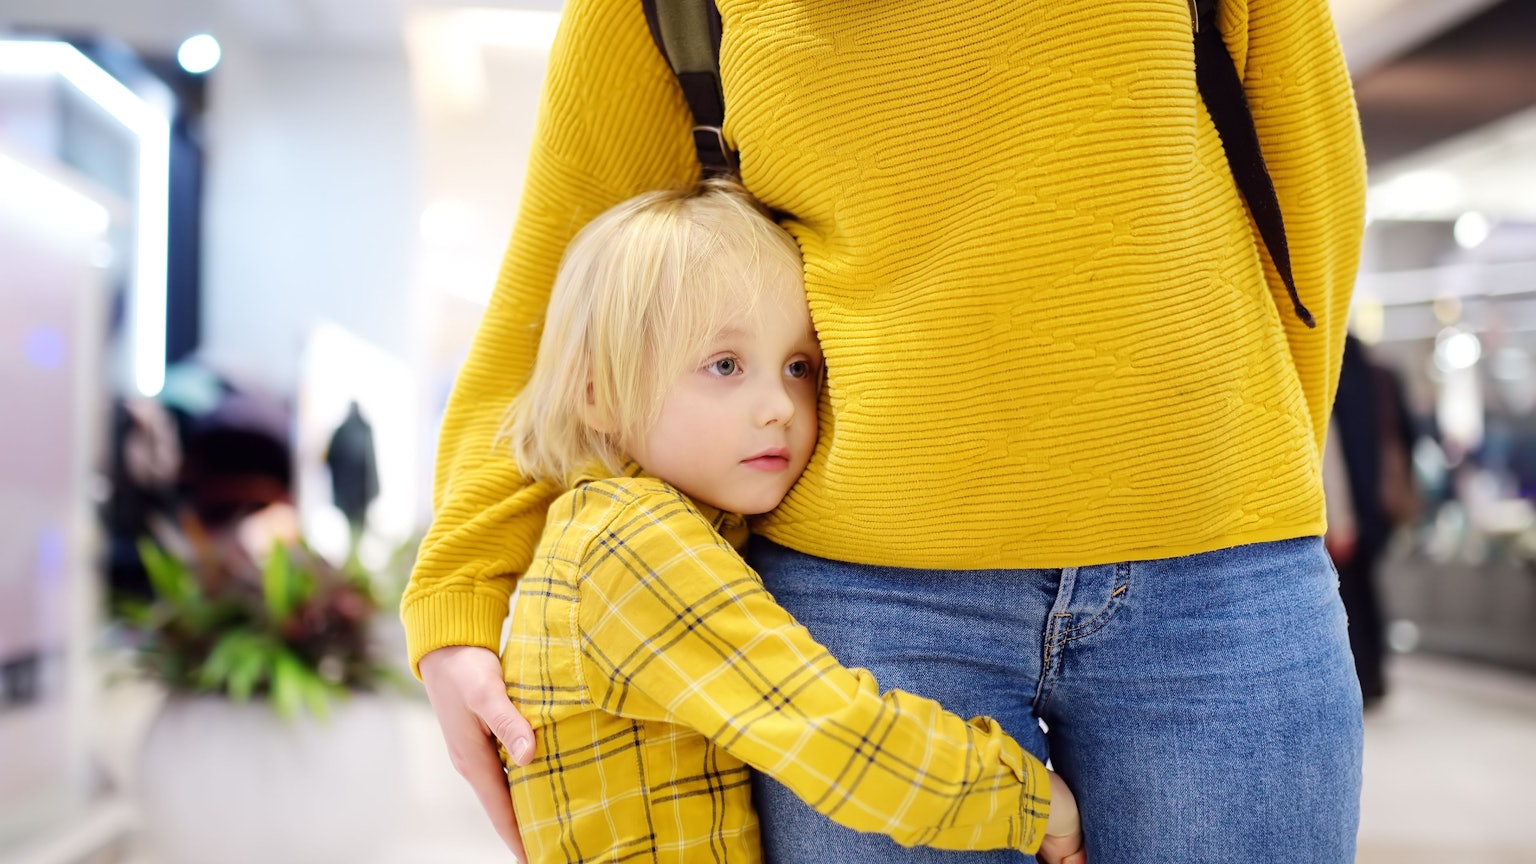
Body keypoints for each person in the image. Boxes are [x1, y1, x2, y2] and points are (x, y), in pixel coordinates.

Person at [404, 1, 1368, 862]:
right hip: (865, 597)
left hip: (1219, 573)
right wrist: (461, 584)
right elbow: (569, 270)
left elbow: (1307, 190)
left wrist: (1245, 458)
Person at [490, 178, 1083, 863]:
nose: (779, 405)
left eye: (798, 366)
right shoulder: (634, 544)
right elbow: (833, 734)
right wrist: (1032, 804)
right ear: (599, 395)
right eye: (724, 364)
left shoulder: (610, 532)